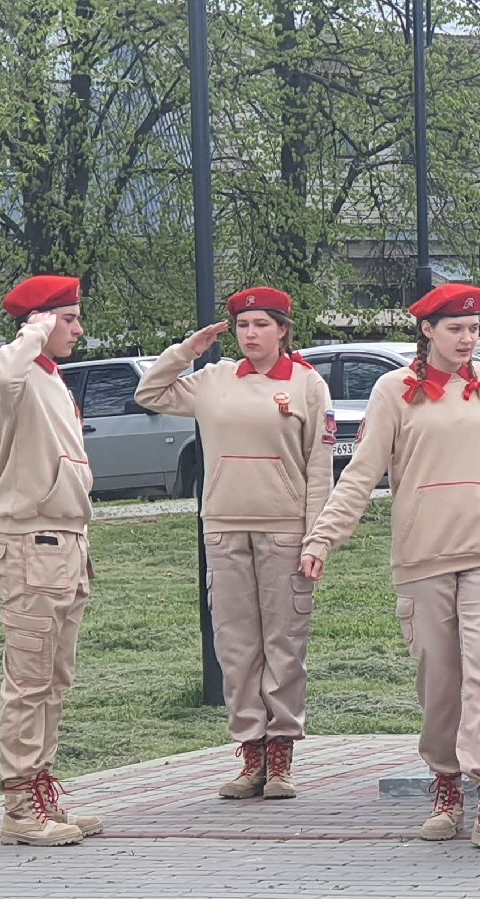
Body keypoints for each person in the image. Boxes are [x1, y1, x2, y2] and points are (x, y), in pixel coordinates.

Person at [299, 283, 480, 853]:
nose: (467, 339)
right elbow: (361, 473)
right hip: (423, 557)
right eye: (455, 329)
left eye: (475, 329)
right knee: (440, 684)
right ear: (427, 330)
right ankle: (446, 784)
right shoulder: (394, 391)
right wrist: (324, 537)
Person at [136, 287, 335, 800]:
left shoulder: (307, 383)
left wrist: (318, 536)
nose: (251, 334)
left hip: (285, 529)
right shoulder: (214, 380)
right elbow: (149, 394)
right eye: (243, 325)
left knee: (284, 643)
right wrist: (188, 350)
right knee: (236, 643)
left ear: (283, 330)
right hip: (224, 527)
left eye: (262, 324)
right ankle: (251, 751)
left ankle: (281, 751)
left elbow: (319, 467)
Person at [0, 274, 104, 846]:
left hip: (65, 541)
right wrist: (33, 332)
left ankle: (40, 790)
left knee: (55, 678)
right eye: (68, 319)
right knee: (29, 680)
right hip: (30, 541)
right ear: (40, 321)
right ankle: (19, 805)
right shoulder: (20, 372)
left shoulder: (51, 378)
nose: (78, 330)